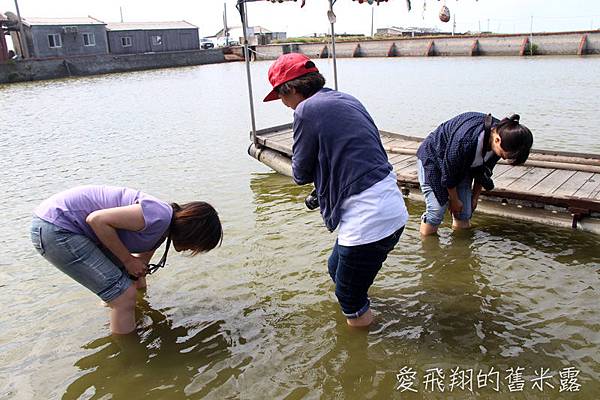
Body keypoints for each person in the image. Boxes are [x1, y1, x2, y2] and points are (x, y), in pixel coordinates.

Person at [263, 53, 409, 328]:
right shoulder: (346, 99)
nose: (284, 104)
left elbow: (300, 173)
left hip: (368, 214)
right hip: (390, 203)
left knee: (347, 297)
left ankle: (365, 346)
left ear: (291, 89)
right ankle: (363, 304)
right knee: (336, 268)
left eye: (281, 97)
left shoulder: (306, 110)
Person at [30, 185, 222, 334]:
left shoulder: (161, 230)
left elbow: (139, 271)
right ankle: (130, 356)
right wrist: (128, 261)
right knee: (123, 297)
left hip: (61, 227)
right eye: (197, 245)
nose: (191, 250)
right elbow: (97, 220)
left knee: (123, 290)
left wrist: (141, 295)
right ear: (195, 232)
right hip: (56, 227)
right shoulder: (159, 216)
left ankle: (114, 321)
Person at [416, 112, 533, 236]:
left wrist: (475, 198)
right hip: (434, 159)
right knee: (436, 212)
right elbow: (449, 174)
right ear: (497, 140)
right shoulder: (466, 139)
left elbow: (483, 172)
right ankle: (428, 249)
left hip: (463, 165)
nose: (504, 158)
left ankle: (459, 250)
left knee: (465, 213)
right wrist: (454, 200)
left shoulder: (504, 138)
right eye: (506, 155)